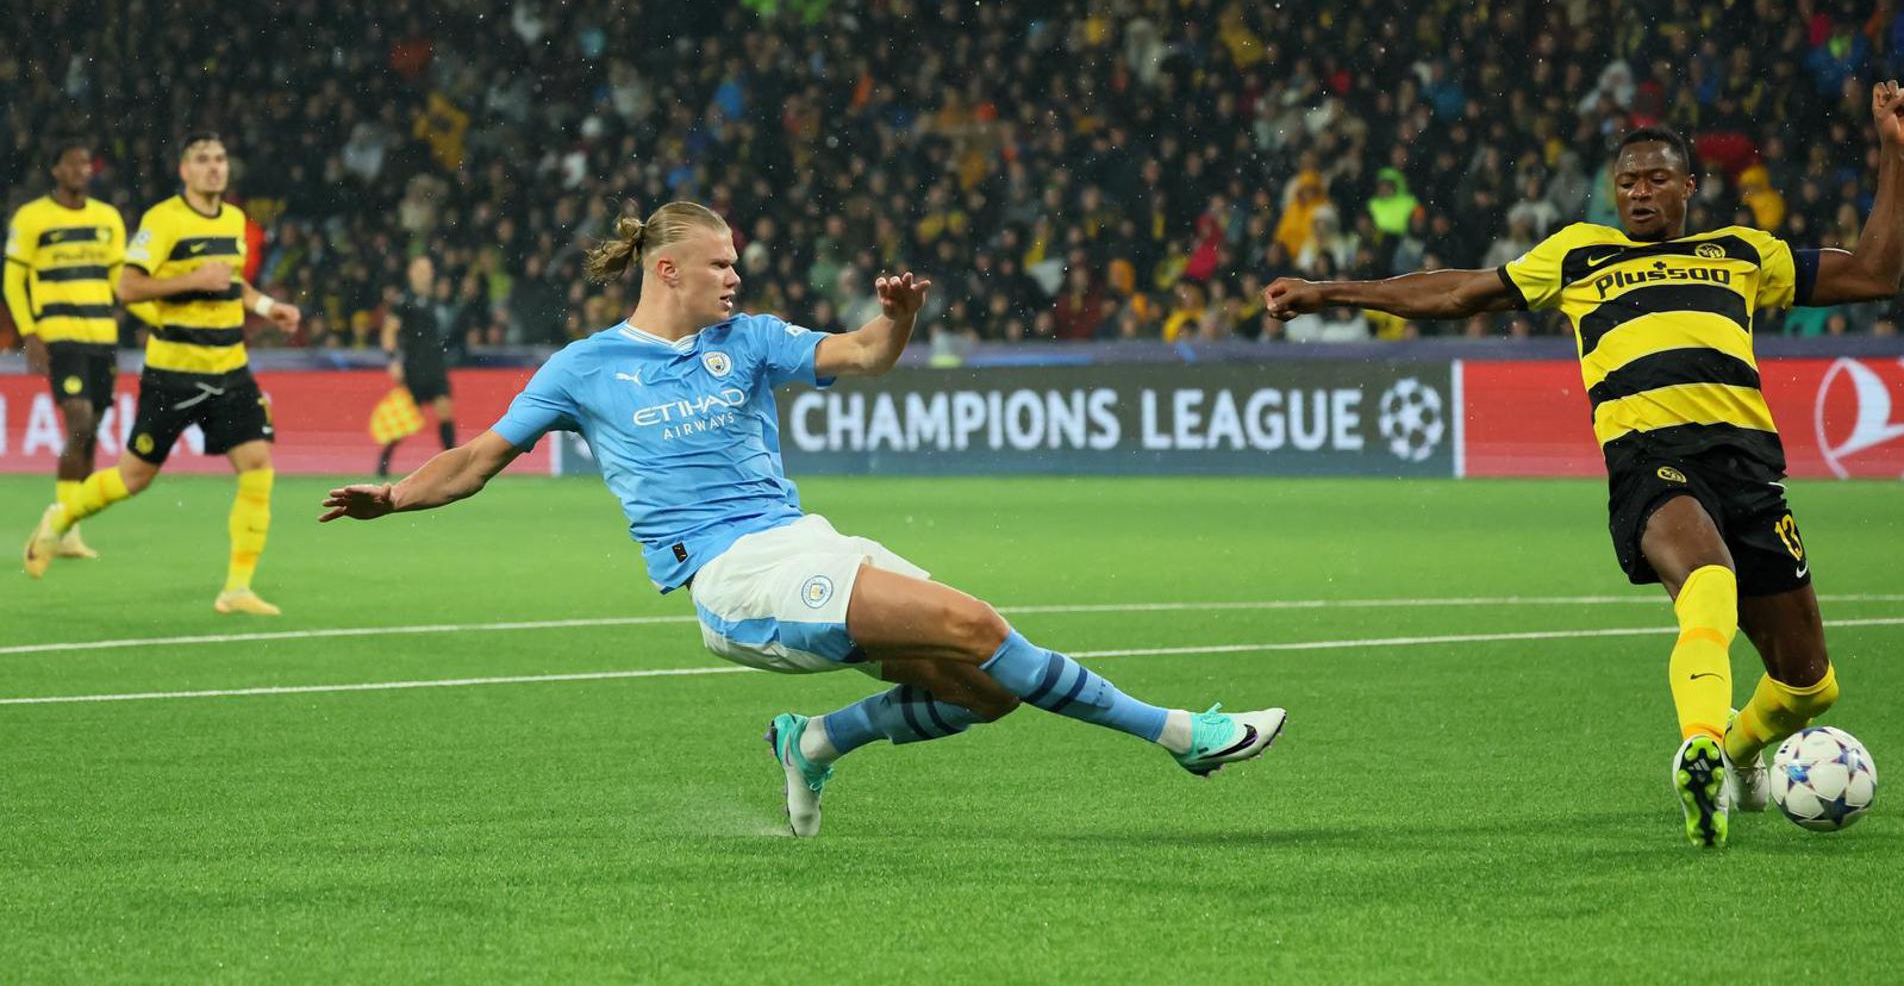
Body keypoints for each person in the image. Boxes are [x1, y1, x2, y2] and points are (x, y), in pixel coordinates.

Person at [320, 201, 1286, 837]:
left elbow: (865, 353)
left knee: (986, 692)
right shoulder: (584, 367)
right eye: (720, 264)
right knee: (977, 627)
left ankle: (814, 742)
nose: (734, 278)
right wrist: (395, 496)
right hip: (736, 580)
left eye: (737, 263)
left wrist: (899, 318)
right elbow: (479, 457)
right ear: (666, 269)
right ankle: (1180, 734)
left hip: (808, 544)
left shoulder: (749, 340)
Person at [1263, 82, 1904, 849]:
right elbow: (1458, 292)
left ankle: (1735, 751)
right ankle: (1700, 748)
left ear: (1690, 187)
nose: (1640, 193)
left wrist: (1893, 152)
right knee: (1708, 583)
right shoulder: (1579, 254)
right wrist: (1329, 292)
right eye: (1627, 181)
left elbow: (1876, 274)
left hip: (1749, 472)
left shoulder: (1740, 253)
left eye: (1657, 178)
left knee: (1809, 684)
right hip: (1651, 462)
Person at [24, 133, 304, 615]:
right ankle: (61, 516)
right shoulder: (163, 220)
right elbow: (128, 287)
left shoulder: (234, 220)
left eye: (220, 159)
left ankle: (236, 588)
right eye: (203, 160)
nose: (214, 167)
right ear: (185, 171)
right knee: (134, 478)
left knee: (258, 465)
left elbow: (231, 281)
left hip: (230, 369)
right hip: (174, 373)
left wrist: (265, 306)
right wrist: (194, 279)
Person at [5, 140, 130, 561]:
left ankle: (69, 528)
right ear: (55, 170)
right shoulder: (32, 218)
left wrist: (154, 314)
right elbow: (12, 281)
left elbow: (120, 281)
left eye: (86, 163)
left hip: (102, 338)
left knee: (91, 431)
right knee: (79, 420)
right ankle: (58, 524)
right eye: (72, 163)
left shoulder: (107, 218)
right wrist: (30, 333)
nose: (82, 169)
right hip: (60, 336)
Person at [377, 255, 457, 477]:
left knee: (445, 411)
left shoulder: (436, 300)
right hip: (414, 368)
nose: (425, 274)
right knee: (405, 419)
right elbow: (389, 332)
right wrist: (392, 360)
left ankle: (452, 462)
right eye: (420, 270)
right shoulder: (404, 302)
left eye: (428, 270)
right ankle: (384, 459)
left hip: (435, 366)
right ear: (411, 273)